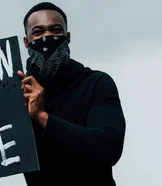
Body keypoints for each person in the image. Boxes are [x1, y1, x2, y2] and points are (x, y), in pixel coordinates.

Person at [16, 2, 126, 186]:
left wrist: (42, 116)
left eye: (55, 30)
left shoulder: (96, 83)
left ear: (67, 37)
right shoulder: (15, 93)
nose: (47, 37)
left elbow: (109, 148)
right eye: (38, 32)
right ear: (26, 41)